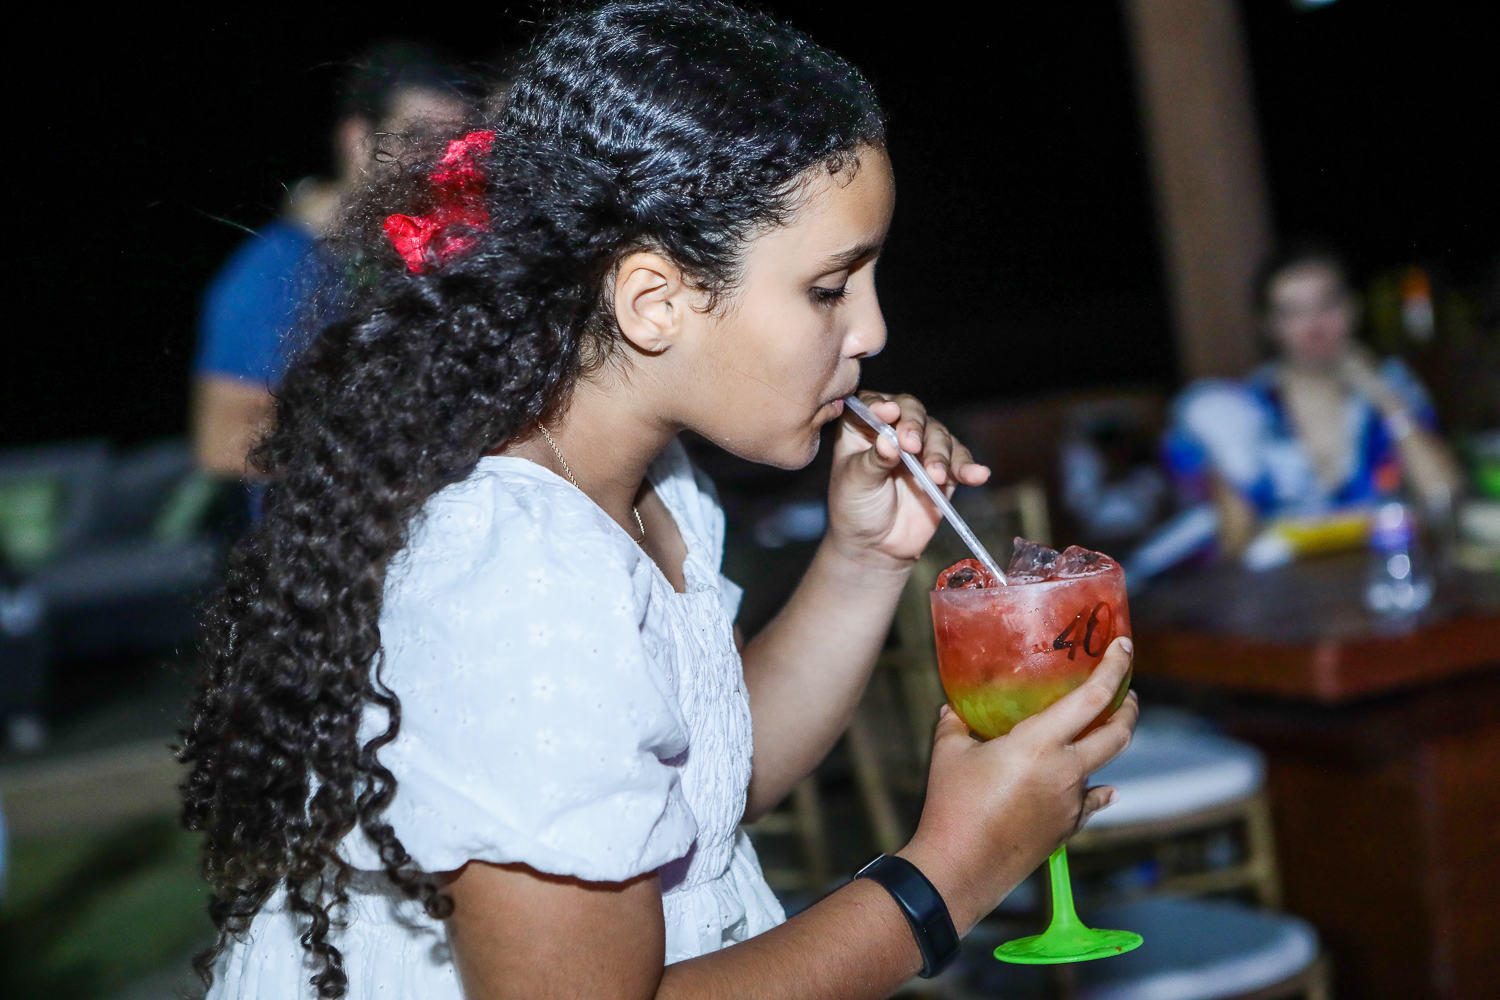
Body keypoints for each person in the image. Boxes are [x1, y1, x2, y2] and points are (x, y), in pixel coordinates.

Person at [180, 4, 1139, 999]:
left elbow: (707, 782)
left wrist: (863, 558)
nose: (872, 331)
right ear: (654, 301)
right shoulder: (518, 580)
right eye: (829, 287)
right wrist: (947, 876)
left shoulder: (656, 483)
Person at [191, 42, 468, 478]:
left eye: (455, 143)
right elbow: (222, 440)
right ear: (357, 141)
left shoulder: (456, 255)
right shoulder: (277, 266)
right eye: (416, 138)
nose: (437, 161)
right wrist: (403, 438)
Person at [1158, 242, 1463, 563]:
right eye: (1291, 312)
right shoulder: (1237, 412)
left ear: (1352, 308)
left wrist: (1384, 396)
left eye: (1327, 304)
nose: (1314, 325)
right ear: (1268, 325)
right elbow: (1234, 544)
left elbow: (1445, 497)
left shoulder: (1392, 386)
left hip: (1386, 570)